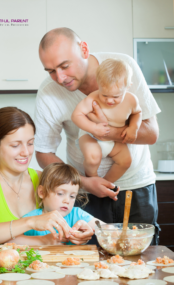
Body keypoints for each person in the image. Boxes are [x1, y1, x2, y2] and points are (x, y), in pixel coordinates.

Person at [34, 27, 161, 245]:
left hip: (137, 186)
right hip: (84, 195)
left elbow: (150, 133)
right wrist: (84, 182)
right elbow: (44, 152)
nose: (60, 78)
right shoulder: (48, 92)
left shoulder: (124, 68)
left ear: (84, 49)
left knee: (142, 263)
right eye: (51, 71)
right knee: (88, 268)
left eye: (64, 66)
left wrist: (105, 132)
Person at [0, 107, 94, 248]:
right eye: (15, 145)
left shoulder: (41, 178)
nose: (26, 152)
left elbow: (69, 216)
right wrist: (32, 225)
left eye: (30, 143)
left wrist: (81, 232)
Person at [72, 58, 142, 183]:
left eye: (116, 96)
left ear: (127, 87)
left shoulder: (131, 100)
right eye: (104, 95)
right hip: (90, 136)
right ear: (99, 85)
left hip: (113, 141)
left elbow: (137, 113)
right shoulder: (93, 98)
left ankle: (105, 183)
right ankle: (93, 180)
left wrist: (133, 128)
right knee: (93, 158)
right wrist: (93, 128)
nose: (109, 101)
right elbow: (76, 115)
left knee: (125, 161)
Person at [11, 163, 104, 245]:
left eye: (72, 196)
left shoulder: (77, 215)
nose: (67, 201)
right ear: (42, 192)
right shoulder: (31, 219)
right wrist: (42, 240)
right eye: (60, 194)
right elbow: (10, 242)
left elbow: (110, 230)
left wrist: (89, 231)